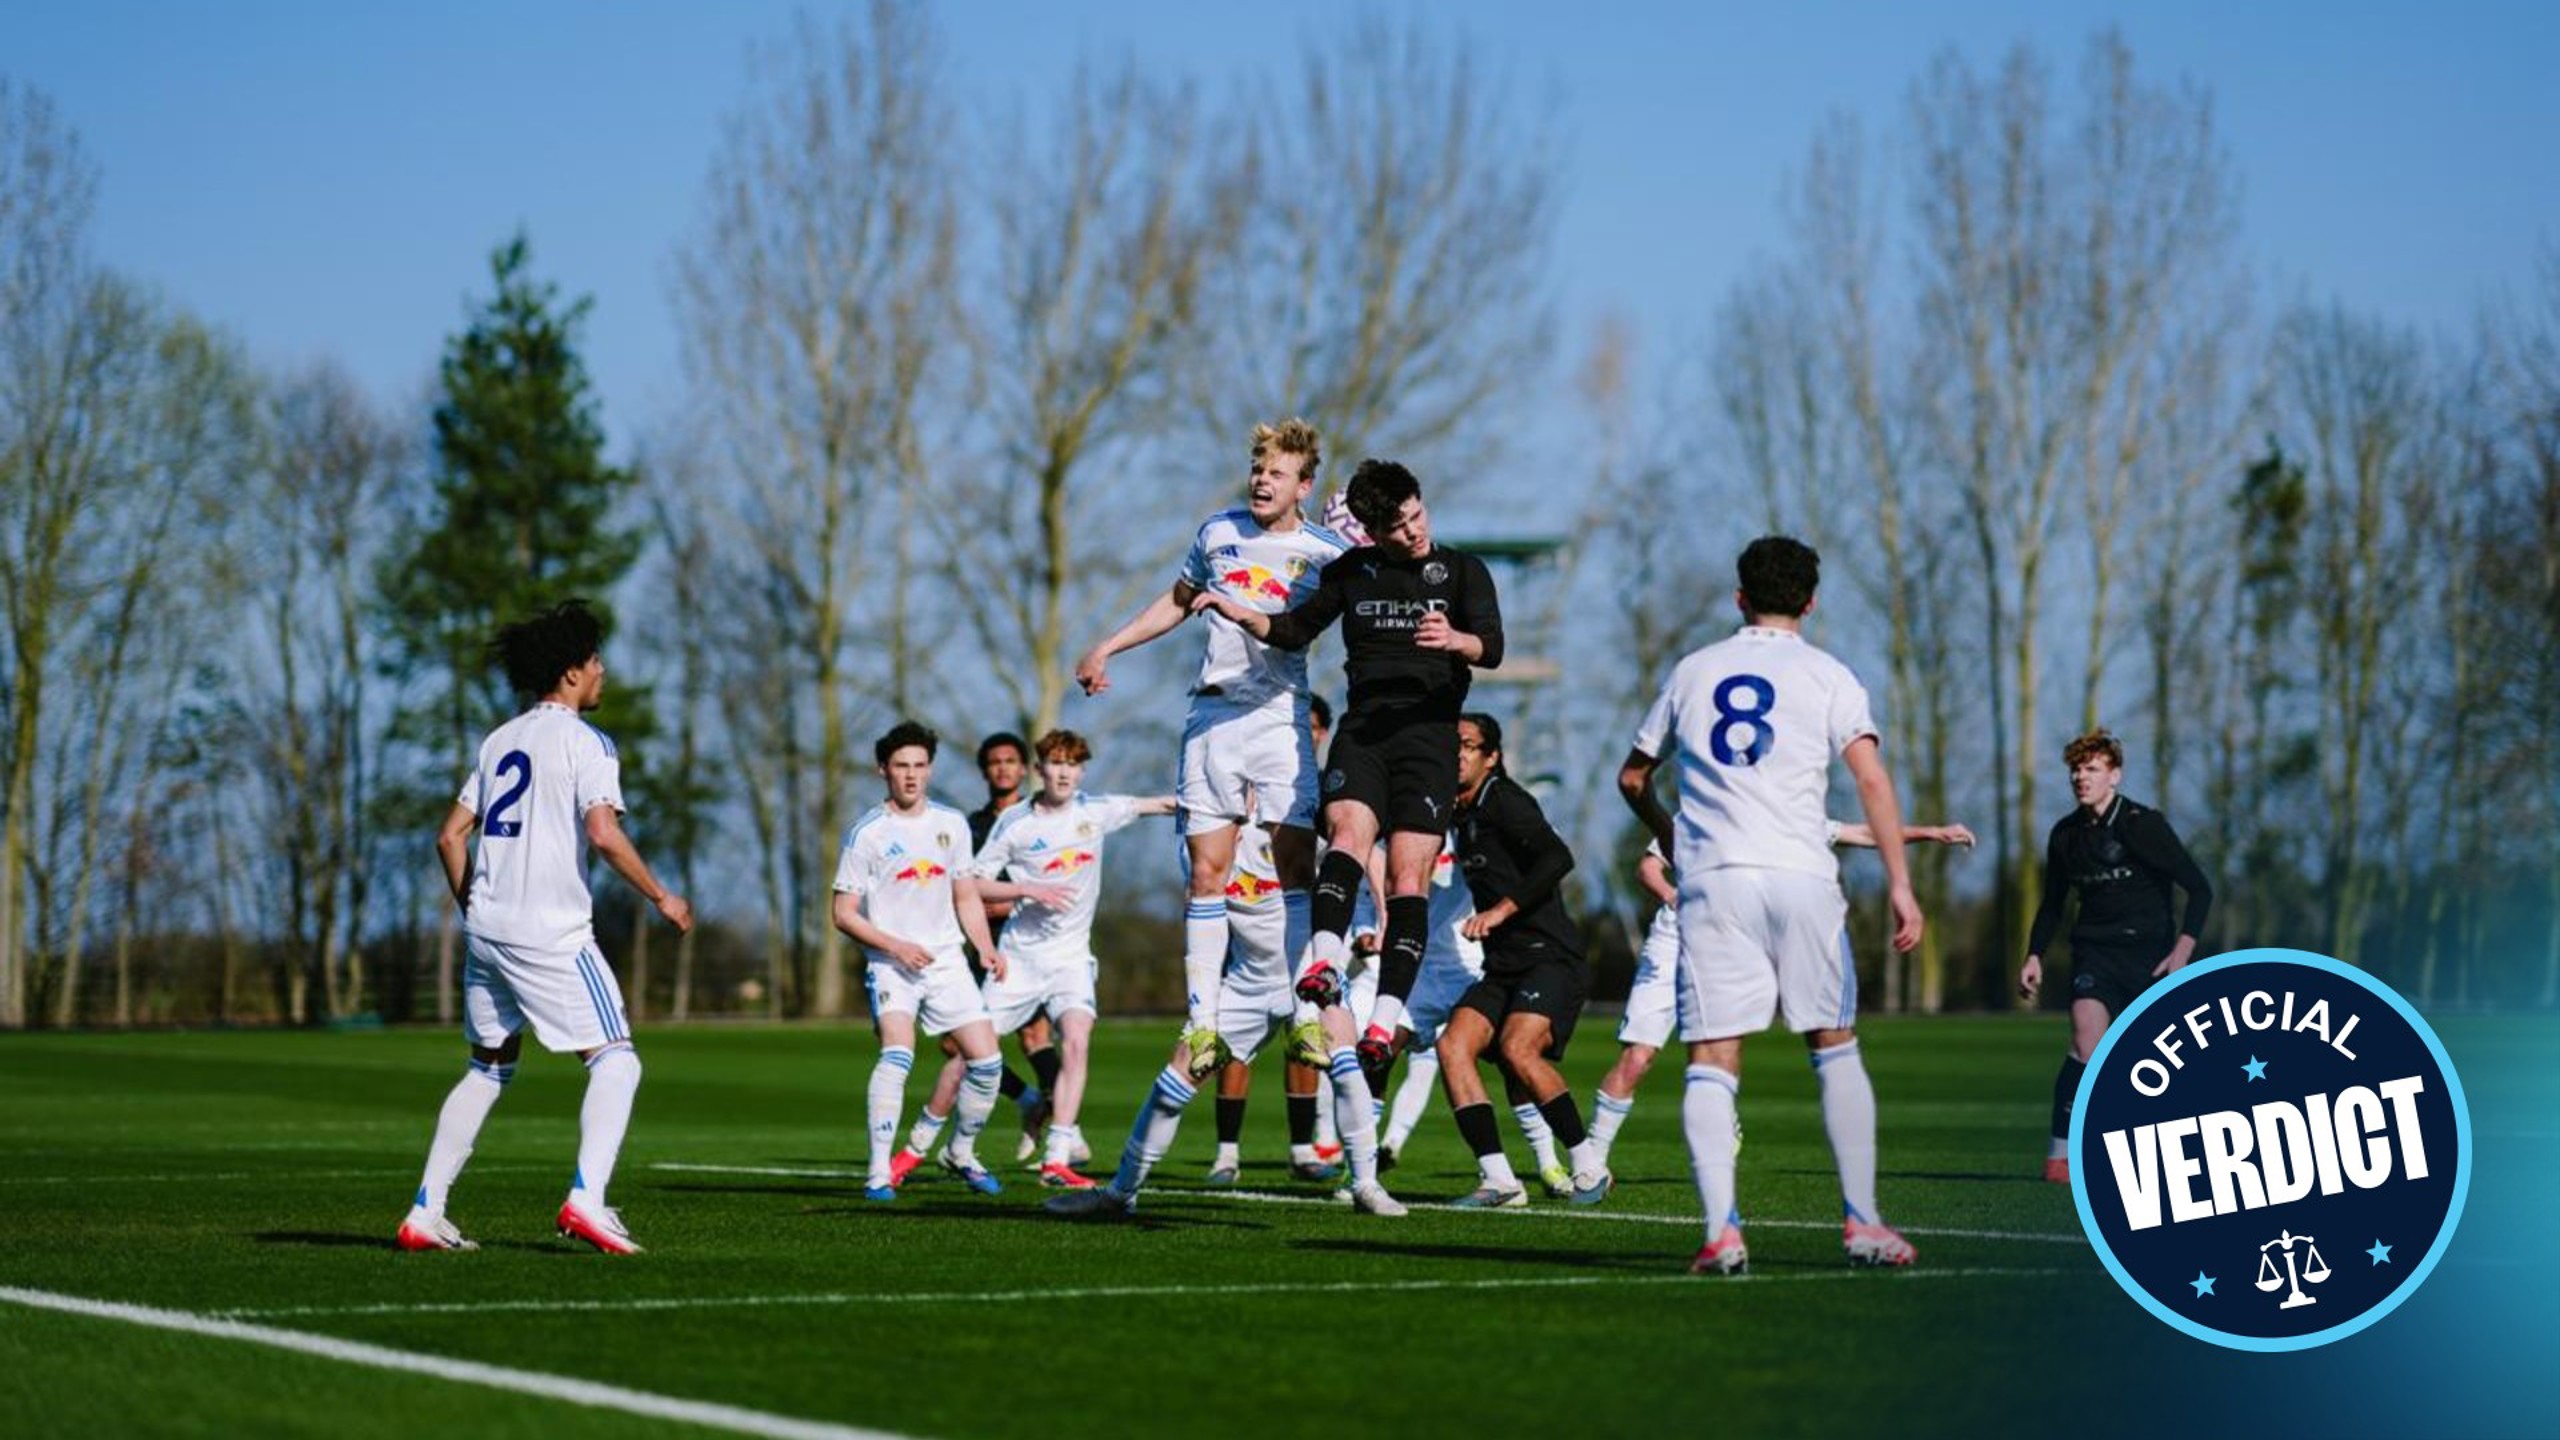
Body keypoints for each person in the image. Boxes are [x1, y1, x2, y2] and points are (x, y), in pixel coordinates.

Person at [1194, 458, 1504, 1203]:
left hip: (1428, 739)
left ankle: (1386, 1015)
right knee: (1342, 835)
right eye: (1395, 525)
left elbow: (1490, 646)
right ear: (1370, 530)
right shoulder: (1356, 571)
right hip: (1365, 733)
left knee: (1406, 878)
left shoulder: (1461, 571)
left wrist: (1455, 640)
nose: (1412, 530)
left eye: (1416, 514)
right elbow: (1295, 625)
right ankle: (1324, 961)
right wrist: (1239, 612)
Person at [1618, 535, 1924, 1275]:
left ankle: (1722, 1232)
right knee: (1834, 1042)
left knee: (1714, 1057)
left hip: (1716, 879)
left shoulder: (1695, 671)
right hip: (1801, 877)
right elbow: (1874, 784)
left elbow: (1633, 778)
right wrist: (1902, 885)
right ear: (1812, 601)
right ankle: (1862, 1223)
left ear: (1738, 597)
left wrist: (1676, 835)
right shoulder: (1828, 674)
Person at [398, 599, 693, 1256]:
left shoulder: (499, 739)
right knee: (617, 1061)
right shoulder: (586, 742)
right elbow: (602, 831)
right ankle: (587, 1200)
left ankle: (427, 1210)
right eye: (594, 661)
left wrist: (475, 907)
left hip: (488, 930)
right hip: (551, 933)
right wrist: (661, 895)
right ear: (570, 673)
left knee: (488, 1068)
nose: (602, 671)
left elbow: (450, 837)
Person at [1073, 420, 1346, 1107]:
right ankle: (1202, 1025)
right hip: (1214, 719)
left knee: (1294, 866)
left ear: (1303, 485)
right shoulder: (1217, 534)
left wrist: (1366, 546)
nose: (1262, 481)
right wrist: (1107, 647)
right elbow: (1175, 600)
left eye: (1277, 473)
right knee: (1207, 871)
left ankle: (1306, 1021)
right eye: (1257, 470)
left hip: (1280, 718)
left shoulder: (1323, 551)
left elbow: (1376, 595)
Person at [1586, 820, 1975, 1174]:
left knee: (1716, 1051)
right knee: (1637, 1057)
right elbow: (1648, 867)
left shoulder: (1783, 813)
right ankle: (1592, 1165)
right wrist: (1672, 896)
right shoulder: (1695, 810)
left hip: (1727, 946)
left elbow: (1865, 833)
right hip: (1673, 938)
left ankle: (1720, 1118)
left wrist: (1932, 833)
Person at [964, 729, 1174, 1187]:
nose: (1063, 773)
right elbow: (973, 882)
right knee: (968, 1050)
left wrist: (1230, 802)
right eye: (1055, 764)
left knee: (1077, 1037)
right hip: (1018, 958)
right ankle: (954, 1146)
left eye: (1072, 765)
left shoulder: (1095, 811)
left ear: (1081, 771)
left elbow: (1160, 804)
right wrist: (1024, 889)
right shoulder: (1015, 822)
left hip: (1071, 960)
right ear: (1040, 770)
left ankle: (1058, 1154)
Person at [1431, 714, 1610, 1208]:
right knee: (1453, 1047)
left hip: (1549, 956)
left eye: (1467, 746)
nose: (1457, 754)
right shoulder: (1457, 813)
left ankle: (1590, 1165)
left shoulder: (1505, 801)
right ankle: (1500, 1180)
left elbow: (1558, 858)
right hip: (1503, 965)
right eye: (1452, 745)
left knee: (1518, 1050)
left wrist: (1500, 911)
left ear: (1491, 757)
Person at [832, 721, 1016, 1201]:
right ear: (882, 771)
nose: (911, 776)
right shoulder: (867, 834)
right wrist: (895, 946)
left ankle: (961, 1151)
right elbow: (842, 914)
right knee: (898, 1053)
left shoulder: (951, 824)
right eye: (900, 767)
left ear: (929, 769)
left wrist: (984, 946)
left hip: (947, 962)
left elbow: (966, 895)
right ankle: (877, 1171)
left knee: (989, 1062)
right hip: (891, 966)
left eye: (918, 766)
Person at [2018, 729, 2213, 1182]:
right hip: (2095, 954)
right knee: (2087, 1042)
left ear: (2115, 776)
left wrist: (2182, 951)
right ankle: (2060, 1157)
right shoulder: (2065, 836)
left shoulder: (2143, 825)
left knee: (2164, 1067)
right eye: (2076, 770)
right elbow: (2052, 904)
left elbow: (2200, 889)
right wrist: (2034, 955)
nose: (2081, 778)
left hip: (2152, 958)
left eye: (2092, 770)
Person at [901, 731, 1056, 1170]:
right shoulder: (971, 827)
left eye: (1011, 761)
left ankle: (1067, 1132)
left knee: (1035, 1037)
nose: (1003, 768)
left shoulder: (1040, 817)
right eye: (995, 762)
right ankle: (1029, 1100)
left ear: (1024, 768)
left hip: (1031, 942)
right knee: (957, 1044)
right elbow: (959, 888)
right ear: (985, 770)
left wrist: (1014, 901)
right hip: (981, 944)